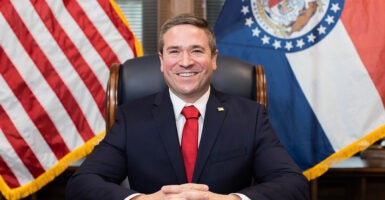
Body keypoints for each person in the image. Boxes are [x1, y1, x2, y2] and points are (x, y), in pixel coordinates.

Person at [66, 13, 309, 200]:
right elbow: (82, 183)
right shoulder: (132, 117)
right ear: (162, 61)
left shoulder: (249, 116)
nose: (185, 62)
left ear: (213, 59)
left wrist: (231, 199)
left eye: (196, 51)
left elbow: (293, 184)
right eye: (174, 52)